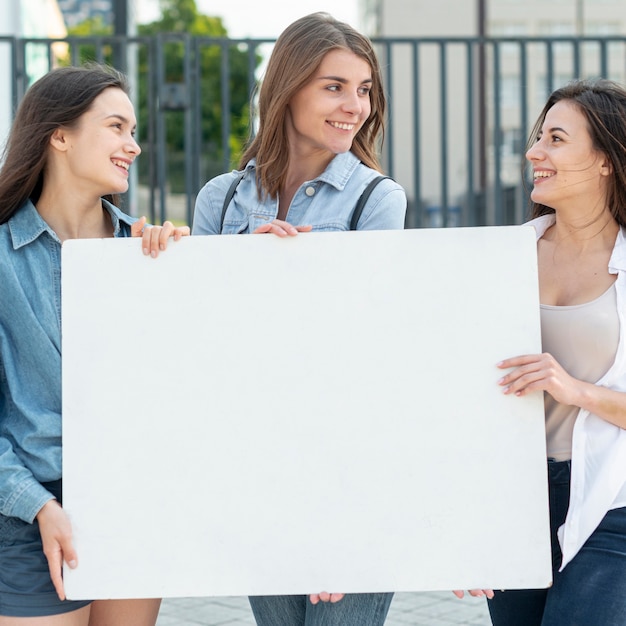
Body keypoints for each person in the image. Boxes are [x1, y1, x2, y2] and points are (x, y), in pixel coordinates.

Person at [192, 12, 406, 626]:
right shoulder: (222, 199)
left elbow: (370, 344)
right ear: (287, 89)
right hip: (259, 461)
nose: (354, 106)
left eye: (364, 90)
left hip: (351, 465)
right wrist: (241, 267)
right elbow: (198, 335)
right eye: (334, 86)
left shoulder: (377, 199)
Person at [0, 64, 189, 624]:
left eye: (133, 131)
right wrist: (38, 505)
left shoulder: (149, 254)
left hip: (133, 501)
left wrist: (210, 271)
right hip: (34, 512)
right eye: (116, 127)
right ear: (59, 135)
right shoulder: (4, 259)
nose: (133, 145)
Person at [455, 78, 626, 625]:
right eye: (538, 137)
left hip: (609, 500)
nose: (534, 152)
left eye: (556, 138)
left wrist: (574, 390)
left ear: (605, 160)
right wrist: (467, 524)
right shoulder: (505, 257)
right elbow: (458, 393)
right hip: (515, 499)